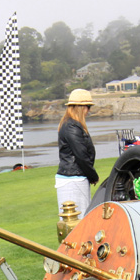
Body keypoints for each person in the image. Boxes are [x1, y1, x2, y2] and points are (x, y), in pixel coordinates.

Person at [55, 89, 98, 217]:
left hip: (74, 177)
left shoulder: (71, 124)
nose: (89, 110)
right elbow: (81, 155)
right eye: (88, 107)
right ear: (81, 107)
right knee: (78, 219)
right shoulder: (71, 126)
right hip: (73, 179)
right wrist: (93, 175)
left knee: (79, 218)